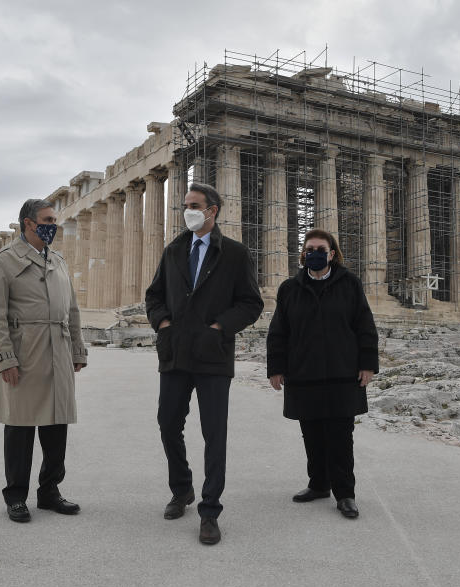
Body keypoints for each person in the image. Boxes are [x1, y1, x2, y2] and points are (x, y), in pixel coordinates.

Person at [144, 182, 263, 545]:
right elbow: (154, 296)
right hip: (176, 353)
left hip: (213, 355)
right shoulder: (173, 250)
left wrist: (218, 328)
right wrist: (163, 323)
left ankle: (209, 510)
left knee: (215, 434)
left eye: (194, 205)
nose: (187, 211)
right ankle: (182, 490)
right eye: (185, 205)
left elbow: (251, 303)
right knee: (168, 424)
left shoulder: (235, 254)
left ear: (212, 210)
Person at [0, 198, 88, 523]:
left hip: (58, 348)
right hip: (25, 352)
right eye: (47, 219)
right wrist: (4, 359)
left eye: (54, 219)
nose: (53, 225)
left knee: (57, 425)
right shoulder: (2, 261)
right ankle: (16, 496)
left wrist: (77, 349)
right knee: (20, 426)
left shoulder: (58, 260)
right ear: (28, 222)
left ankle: (50, 491)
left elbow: (71, 309)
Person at [266, 229, 378, 519]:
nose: (314, 253)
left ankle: (345, 494)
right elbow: (279, 332)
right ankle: (318, 484)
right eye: (309, 248)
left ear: (331, 254)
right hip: (304, 373)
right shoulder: (290, 288)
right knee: (312, 434)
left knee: (340, 436)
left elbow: (364, 325)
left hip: (342, 373)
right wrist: (276, 368)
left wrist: (367, 364)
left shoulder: (350, 284)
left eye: (321, 249)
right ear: (303, 253)